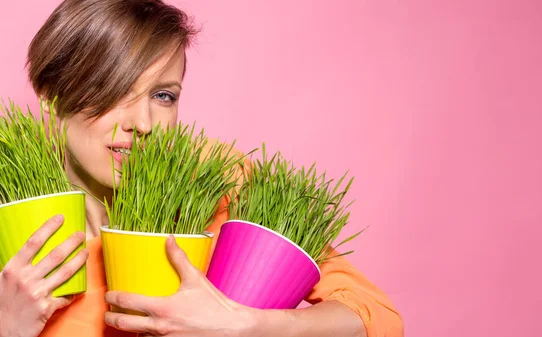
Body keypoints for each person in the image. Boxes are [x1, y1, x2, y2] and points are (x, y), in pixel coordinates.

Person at [0, 0, 404, 336]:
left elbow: (376, 316)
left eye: (162, 95)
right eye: (113, 90)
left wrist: (248, 326)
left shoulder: (216, 182)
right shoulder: (12, 216)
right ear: (51, 97)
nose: (142, 123)